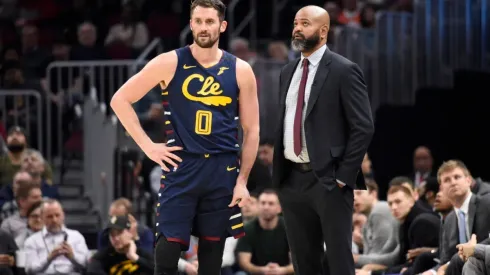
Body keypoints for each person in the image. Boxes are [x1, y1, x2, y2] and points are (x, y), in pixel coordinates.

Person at [110, 0, 259, 274]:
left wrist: (242, 181)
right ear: (191, 24)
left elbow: (252, 131)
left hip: (222, 169)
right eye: (198, 21)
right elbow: (119, 100)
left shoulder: (241, 70)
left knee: (212, 258)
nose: (203, 28)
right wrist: (148, 147)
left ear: (222, 26)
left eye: (210, 22)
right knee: (166, 254)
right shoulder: (169, 61)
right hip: (181, 166)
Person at [272, 5, 374, 275]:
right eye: (295, 23)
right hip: (292, 180)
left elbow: (363, 127)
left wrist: (343, 176)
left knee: (340, 263)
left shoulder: (344, 70)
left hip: (328, 181)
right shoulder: (287, 71)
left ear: (323, 30)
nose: (297, 28)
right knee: (304, 264)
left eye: (305, 23)